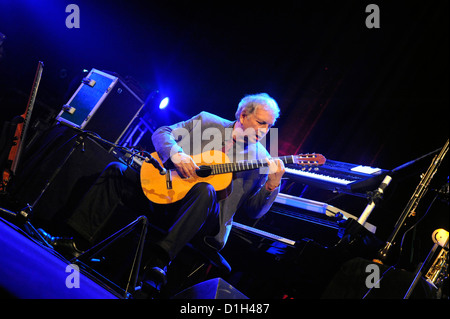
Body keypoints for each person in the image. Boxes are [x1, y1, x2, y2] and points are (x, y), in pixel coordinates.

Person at [41, 93, 285, 292]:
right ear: (243, 115)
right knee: (117, 171)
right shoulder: (207, 122)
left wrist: (271, 185)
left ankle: (158, 265)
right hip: (168, 195)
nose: (265, 130)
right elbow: (162, 132)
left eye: (269, 126)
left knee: (206, 189)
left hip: (204, 221)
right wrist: (177, 154)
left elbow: (253, 211)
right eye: (261, 122)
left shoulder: (261, 160)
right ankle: (77, 242)